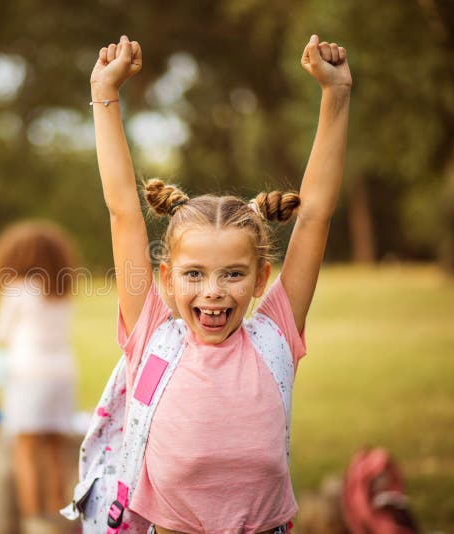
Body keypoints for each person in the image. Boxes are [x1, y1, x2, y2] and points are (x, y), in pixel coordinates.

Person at [88, 34, 351, 534]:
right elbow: (124, 211)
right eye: (194, 275)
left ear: (260, 280)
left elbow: (314, 217)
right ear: (166, 279)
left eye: (232, 274)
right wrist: (105, 92)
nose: (212, 291)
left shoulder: (275, 335)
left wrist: (335, 95)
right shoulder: (153, 337)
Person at [0, 221, 79, 534]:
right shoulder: (60, 290)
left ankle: (33, 519)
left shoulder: (17, 290)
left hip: (29, 374)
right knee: (54, 449)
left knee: (25, 448)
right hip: (63, 374)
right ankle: (60, 515)